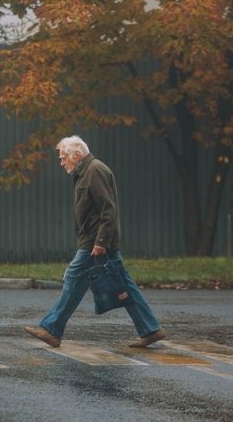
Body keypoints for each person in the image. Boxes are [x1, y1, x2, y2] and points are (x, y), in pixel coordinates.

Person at [24, 135, 165, 349]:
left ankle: (52, 329)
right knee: (122, 283)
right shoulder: (85, 172)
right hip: (94, 240)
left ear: (77, 155)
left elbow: (108, 209)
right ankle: (151, 329)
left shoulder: (95, 170)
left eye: (63, 158)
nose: (62, 163)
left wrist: (101, 242)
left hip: (95, 242)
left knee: (74, 277)